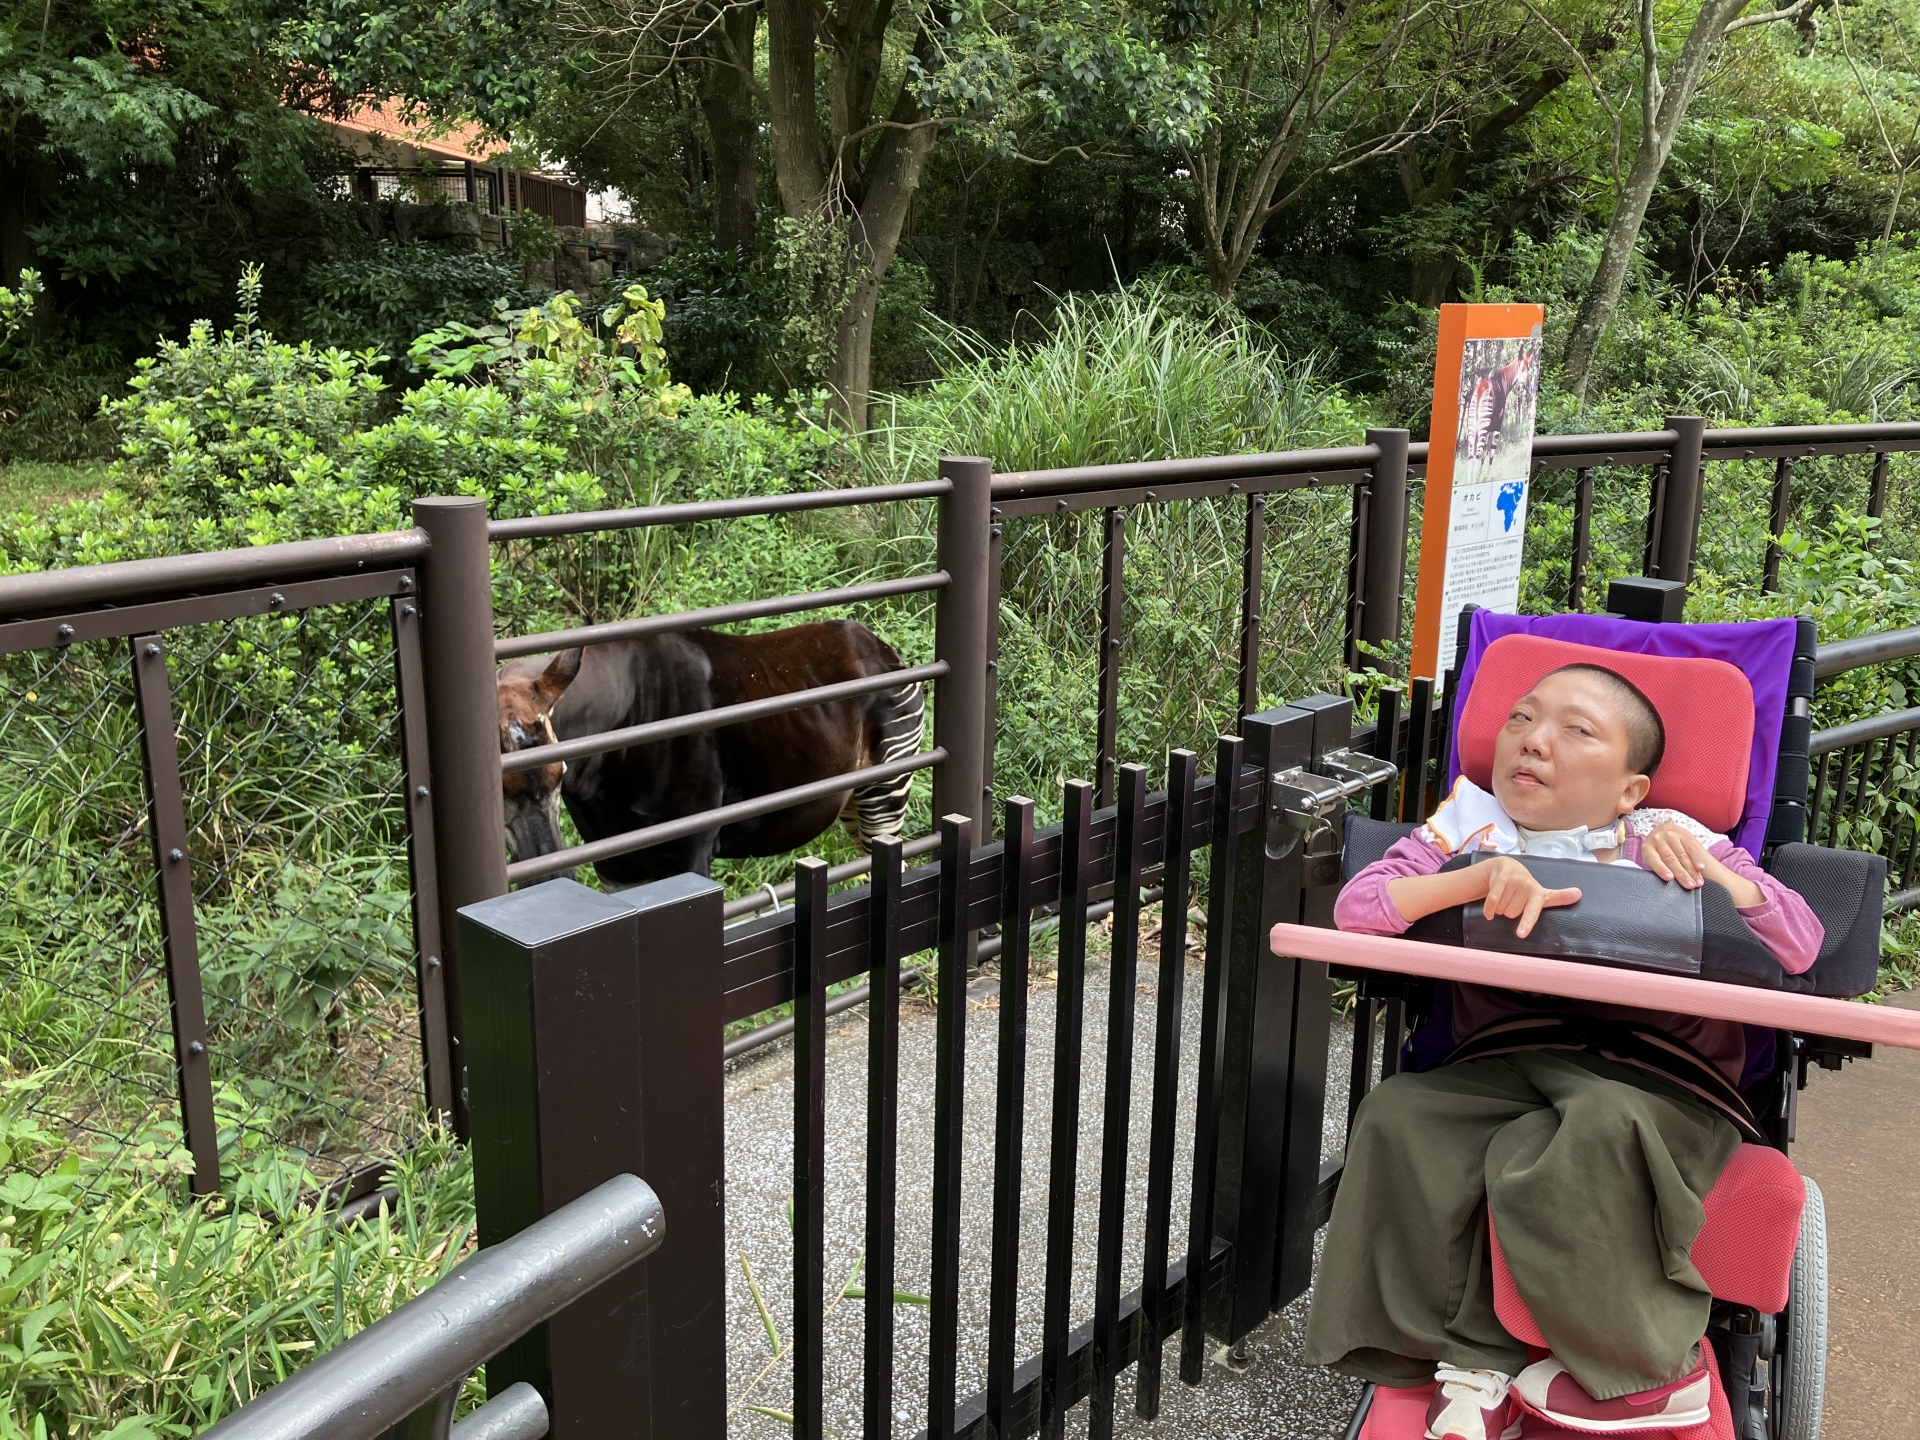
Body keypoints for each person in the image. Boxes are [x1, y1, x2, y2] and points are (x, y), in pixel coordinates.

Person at [1303, 663, 1824, 1439]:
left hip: (1658, 1079)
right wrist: (1468, 881)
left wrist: (1713, 877)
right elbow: (1357, 910)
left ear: (1631, 791)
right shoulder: (1466, 830)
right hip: (1506, 1059)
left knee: (1591, 1125)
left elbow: (1801, 942)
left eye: (1576, 731)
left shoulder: (1674, 836)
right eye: (1519, 719)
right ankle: (1463, 1354)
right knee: (1400, 1113)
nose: (1534, 741)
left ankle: (1651, 1372)